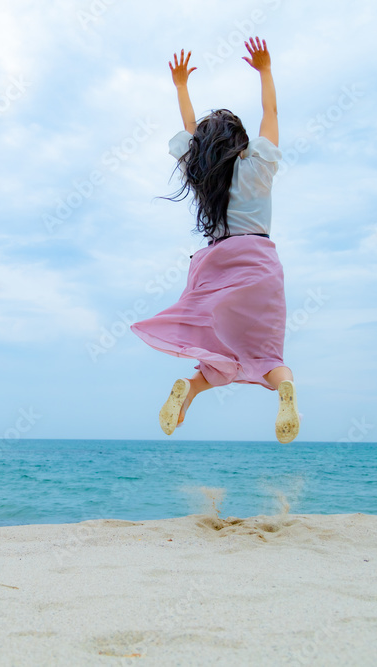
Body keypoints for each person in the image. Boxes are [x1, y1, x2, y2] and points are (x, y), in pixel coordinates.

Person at [129, 37, 299, 443]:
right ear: (242, 142)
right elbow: (271, 113)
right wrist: (265, 71)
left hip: (215, 264)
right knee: (267, 355)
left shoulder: (205, 177)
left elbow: (190, 132)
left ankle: (188, 390)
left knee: (217, 350)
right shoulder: (259, 165)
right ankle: (284, 389)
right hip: (257, 260)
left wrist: (181, 87)